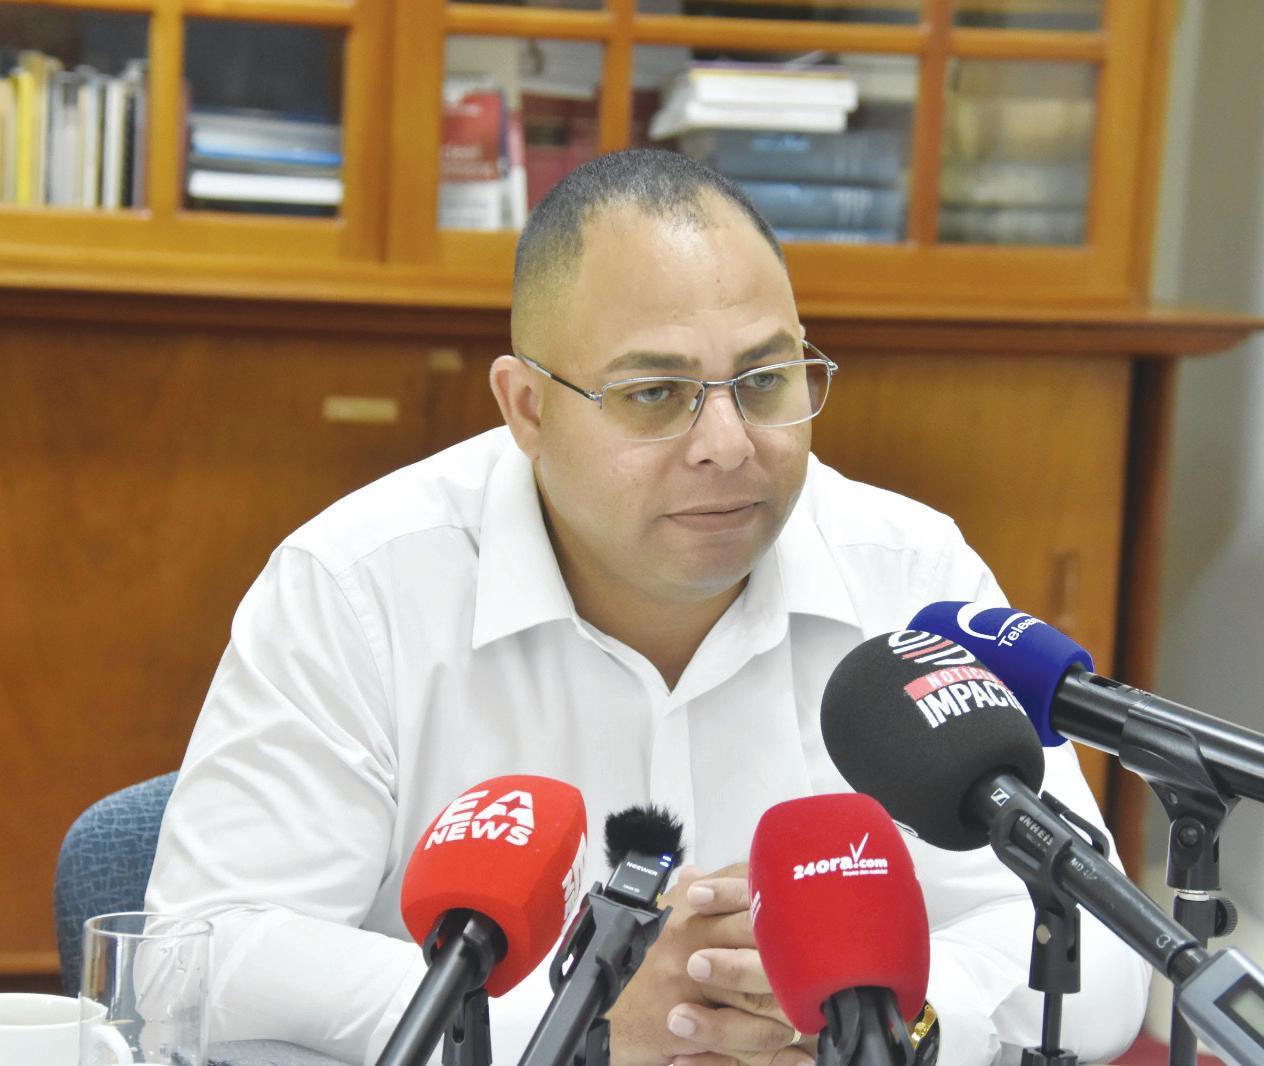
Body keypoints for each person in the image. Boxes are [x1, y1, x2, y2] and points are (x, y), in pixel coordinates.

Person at [147, 149, 1149, 1066]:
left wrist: (873, 1015)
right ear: (527, 408)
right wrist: (575, 1017)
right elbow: (203, 952)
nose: (727, 443)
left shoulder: (910, 577)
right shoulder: (358, 585)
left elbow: (1098, 951)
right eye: (656, 394)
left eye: (765, 380)